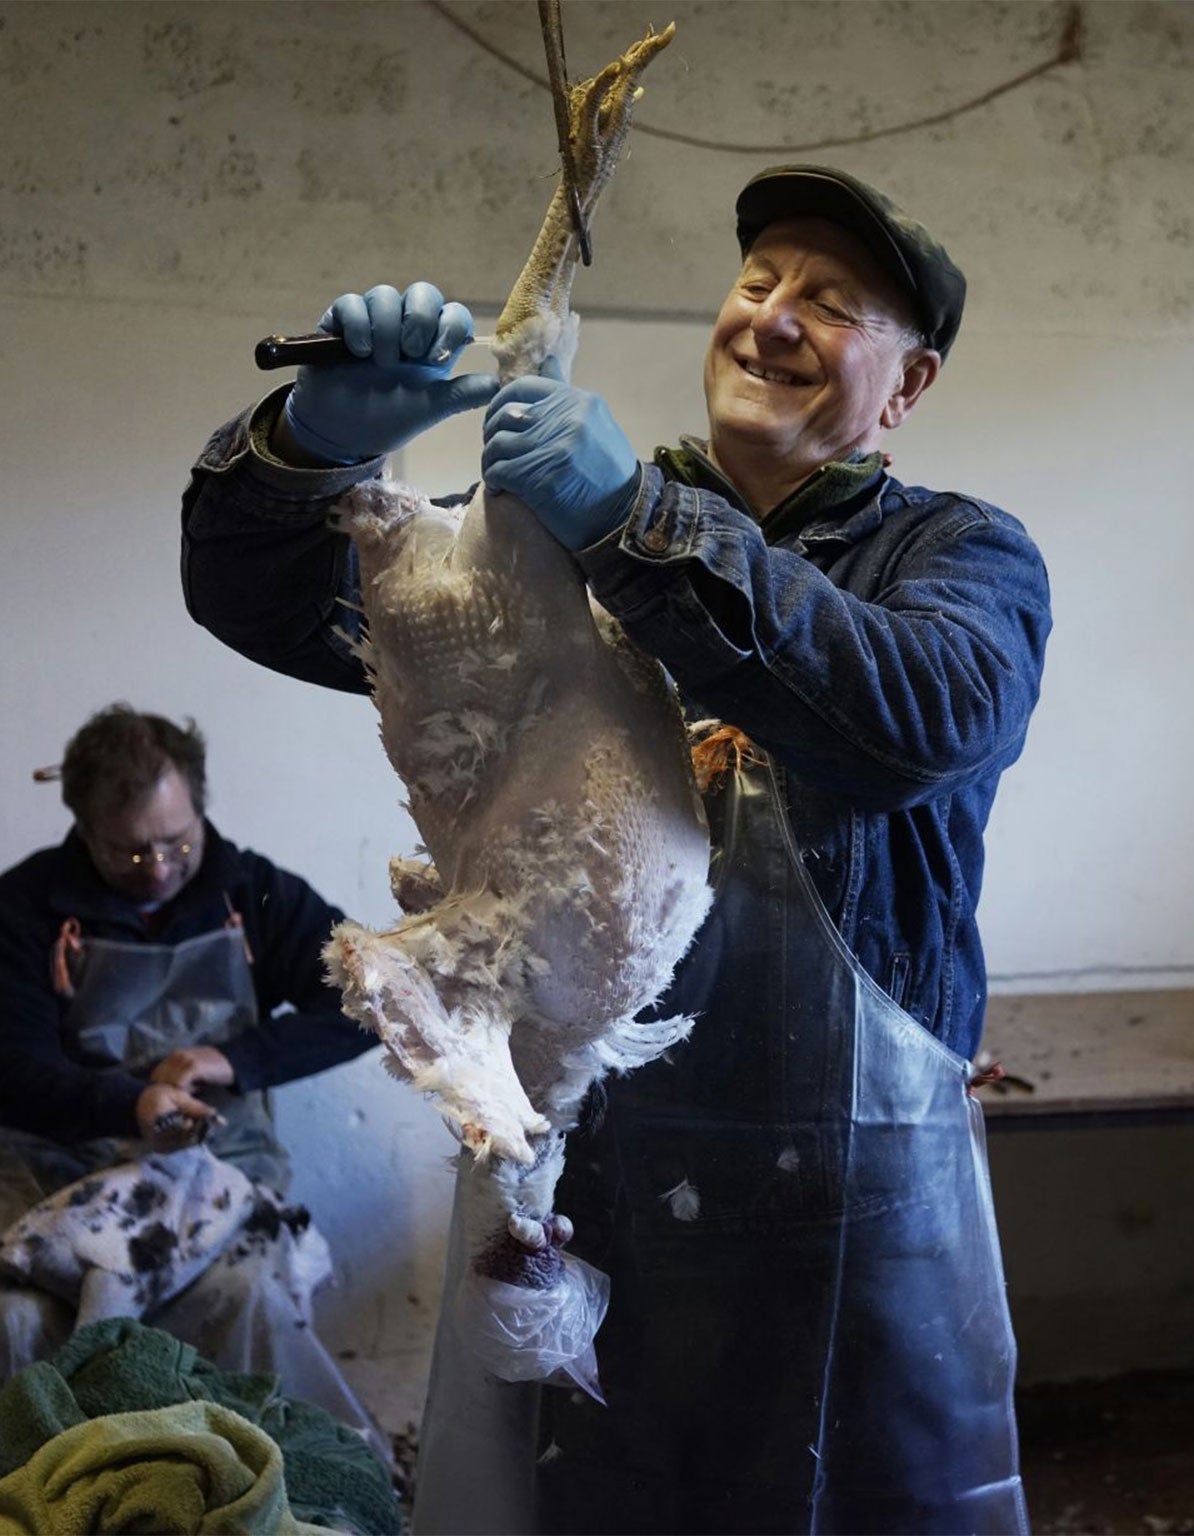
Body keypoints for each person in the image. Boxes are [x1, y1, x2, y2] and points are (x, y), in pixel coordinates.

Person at [181, 164, 1051, 1531]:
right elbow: (282, 603)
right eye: (756, 283)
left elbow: (917, 719)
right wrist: (304, 450)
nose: (770, 318)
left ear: (909, 385)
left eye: (828, 304)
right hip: (593, 1174)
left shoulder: (956, 557)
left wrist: (637, 524)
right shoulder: (559, 534)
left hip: (855, 1201)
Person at [0, 704, 381, 1438]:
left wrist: (233, 1060)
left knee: (249, 1297)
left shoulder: (254, 894)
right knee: (16, 1321)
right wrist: (130, 1104)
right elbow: (12, 1068)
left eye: (177, 842)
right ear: (82, 825)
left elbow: (370, 1005)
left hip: (214, 1179)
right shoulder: (23, 909)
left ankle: (256, 1490)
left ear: (201, 807)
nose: (159, 870)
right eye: (127, 853)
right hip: (60, 1180)